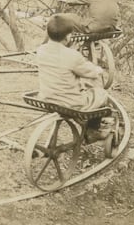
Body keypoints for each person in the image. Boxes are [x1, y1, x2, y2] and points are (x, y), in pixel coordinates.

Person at [36, 13, 113, 141]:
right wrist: (98, 70)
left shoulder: (41, 50)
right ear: (67, 37)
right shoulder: (72, 55)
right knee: (101, 94)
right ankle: (93, 130)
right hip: (70, 103)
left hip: (47, 97)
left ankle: (87, 125)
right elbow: (90, 72)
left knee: (80, 85)